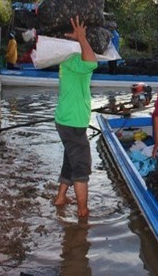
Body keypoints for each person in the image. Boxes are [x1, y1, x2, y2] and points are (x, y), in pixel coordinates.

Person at [53, 16, 98, 218]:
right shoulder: (73, 60)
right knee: (81, 168)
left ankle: (61, 197)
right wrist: (81, 37)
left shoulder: (67, 59)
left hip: (68, 120)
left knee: (70, 160)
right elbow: (92, 62)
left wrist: (78, 38)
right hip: (71, 122)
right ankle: (82, 212)